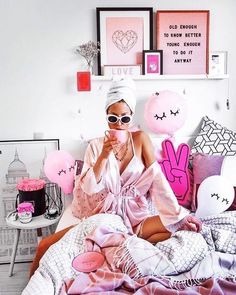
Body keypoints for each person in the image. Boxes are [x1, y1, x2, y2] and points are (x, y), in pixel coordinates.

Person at [29, 77, 201, 278]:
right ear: (106, 116)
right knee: (44, 247)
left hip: (137, 218)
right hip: (106, 218)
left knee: (183, 229)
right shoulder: (95, 146)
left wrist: (179, 214)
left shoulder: (140, 139)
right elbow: (89, 188)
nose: (119, 125)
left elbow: (157, 180)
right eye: (113, 118)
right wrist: (103, 155)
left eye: (124, 119)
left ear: (131, 116)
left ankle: (131, 244)